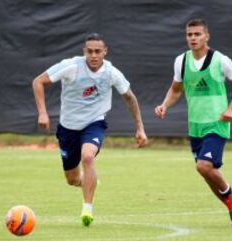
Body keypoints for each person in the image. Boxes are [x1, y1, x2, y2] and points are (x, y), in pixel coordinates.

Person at [32, 33, 147, 226]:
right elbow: (38, 81)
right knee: (72, 179)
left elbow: (130, 98)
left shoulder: (111, 73)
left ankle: (87, 208)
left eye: (98, 51)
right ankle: (88, 181)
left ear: (105, 52)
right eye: (90, 51)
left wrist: (140, 128)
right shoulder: (71, 66)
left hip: (94, 124)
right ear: (84, 52)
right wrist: (42, 113)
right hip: (67, 128)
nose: (94, 56)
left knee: (88, 156)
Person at [155, 19, 232, 227]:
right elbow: (175, 89)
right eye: (189, 34)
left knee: (203, 166)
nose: (193, 38)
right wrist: (164, 105)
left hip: (217, 123)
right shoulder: (181, 61)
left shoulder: (220, 60)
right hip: (195, 126)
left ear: (207, 36)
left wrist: (231, 109)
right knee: (207, 174)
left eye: (197, 34)